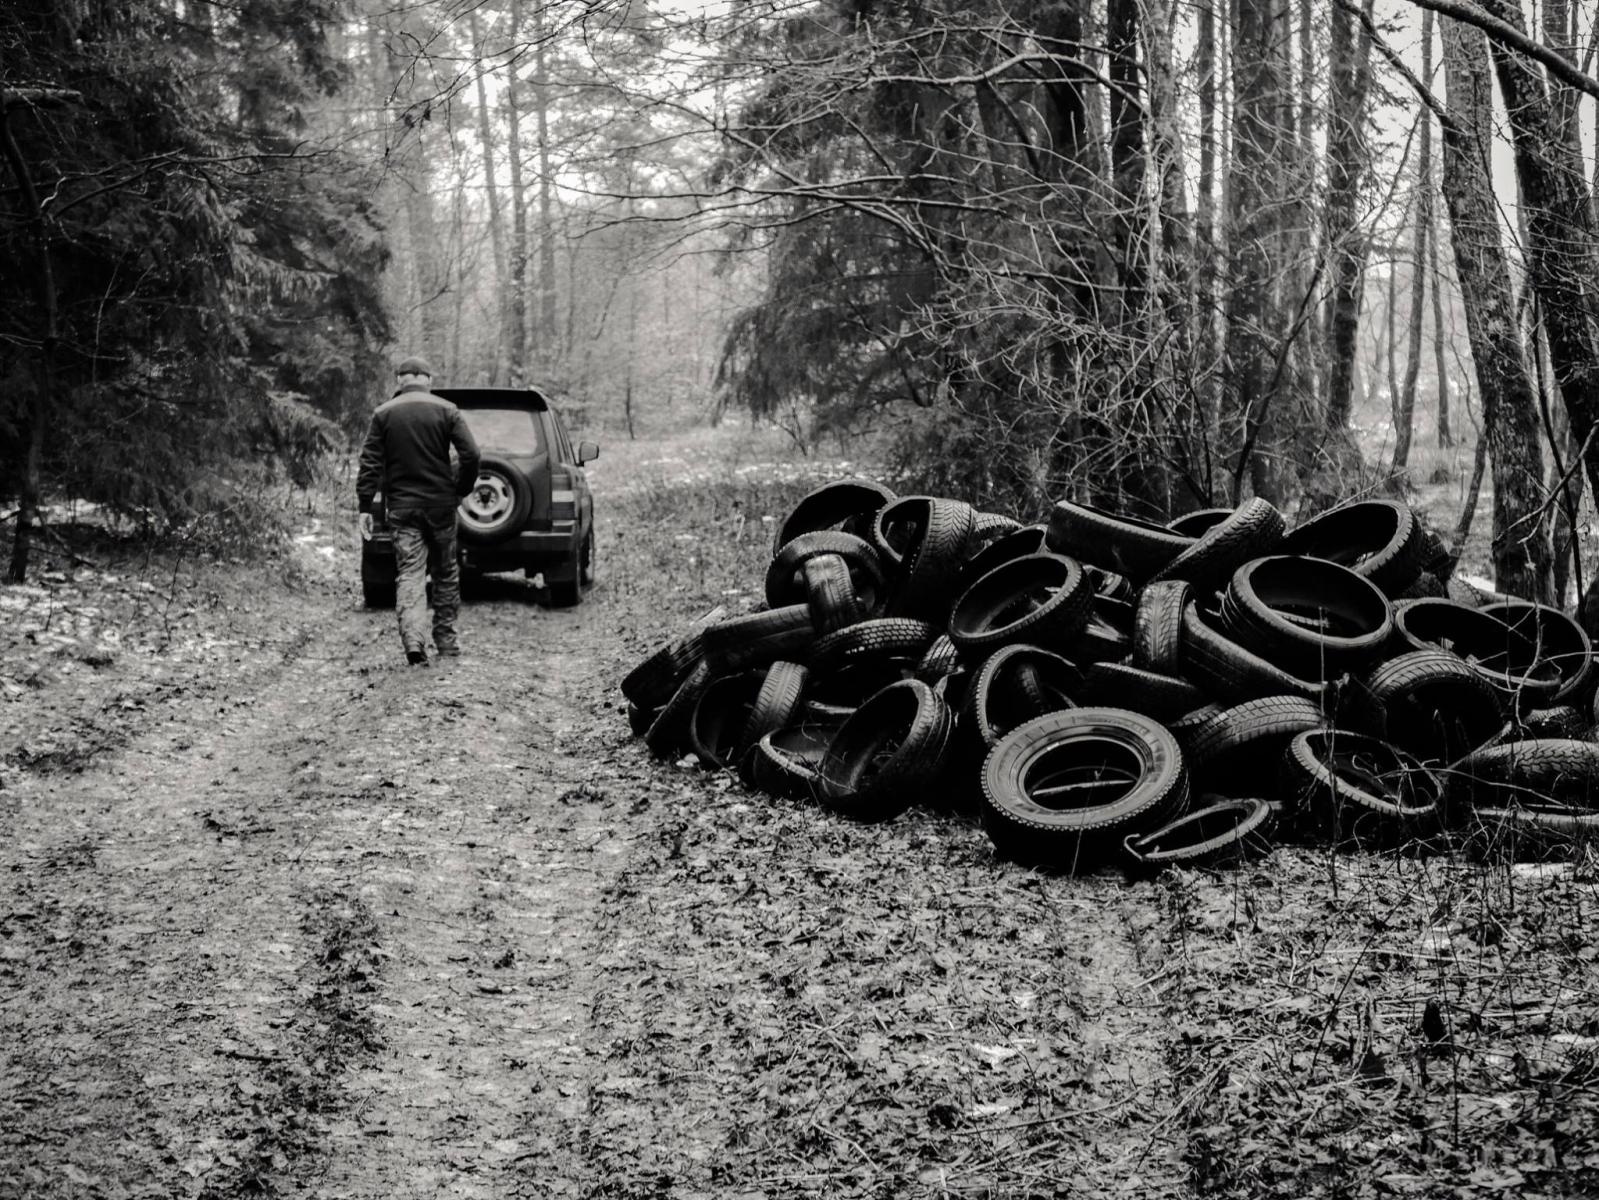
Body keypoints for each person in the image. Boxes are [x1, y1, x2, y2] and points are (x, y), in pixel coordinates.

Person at [356, 355, 481, 665]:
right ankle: (447, 643)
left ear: (400, 381)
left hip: (401, 508)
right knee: (446, 574)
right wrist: (461, 488)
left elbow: (370, 462)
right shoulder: (447, 410)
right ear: (428, 380)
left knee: (410, 575)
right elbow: (472, 454)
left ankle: (414, 641)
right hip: (441, 506)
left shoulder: (383, 414)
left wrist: (364, 506)